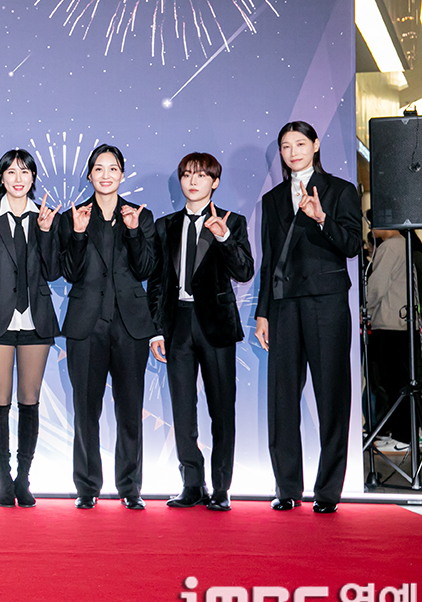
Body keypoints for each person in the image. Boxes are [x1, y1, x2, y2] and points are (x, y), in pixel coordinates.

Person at [255, 121, 361, 514]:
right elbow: (269, 260)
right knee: (282, 398)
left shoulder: (340, 190)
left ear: (315, 146)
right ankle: (287, 487)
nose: (293, 152)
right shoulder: (272, 199)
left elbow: (352, 244)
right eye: (285, 146)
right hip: (283, 305)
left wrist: (322, 218)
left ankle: (328, 491)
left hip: (326, 302)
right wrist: (263, 312)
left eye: (300, 144)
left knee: (332, 395)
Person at [147, 153, 254, 512]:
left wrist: (224, 238)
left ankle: (221, 487)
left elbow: (244, 271)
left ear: (215, 182)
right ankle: (192, 483)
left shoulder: (232, 221)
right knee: (182, 409)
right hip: (176, 323)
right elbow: (158, 281)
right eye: (187, 175)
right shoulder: (165, 225)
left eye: (201, 176)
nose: (193, 182)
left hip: (216, 325)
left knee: (222, 409)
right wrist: (156, 330)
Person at [58, 143, 156, 510]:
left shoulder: (140, 215)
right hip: (86, 325)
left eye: (112, 168)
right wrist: (78, 234)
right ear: (89, 175)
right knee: (86, 410)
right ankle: (87, 487)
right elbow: (68, 271)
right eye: (98, 168)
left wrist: (133, 232)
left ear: (122, 174)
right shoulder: (74, 216)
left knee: (130, 410)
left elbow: (146, 268)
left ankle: (130, 487)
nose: (105, 175)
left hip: (130, 325)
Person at [0, 150, 61, 507]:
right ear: (1, 178)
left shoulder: (46, 217)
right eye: (10, 172)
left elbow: (54, 271)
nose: (18, 178)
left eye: (24, 172)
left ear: (33, 177)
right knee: (0, 400)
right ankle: (4, 478)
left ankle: (24, 477)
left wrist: (47, 233)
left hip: (36, 318)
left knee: (30, 400)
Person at [365, 228, 413, 451]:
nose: (373, 227)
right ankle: (401, 434)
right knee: (399, 382)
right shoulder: (404, 244)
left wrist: (365, 309)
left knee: (394, 383)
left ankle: (403, 438)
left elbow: (376, 287)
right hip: (402, 323)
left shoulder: (390, 247)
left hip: (390, 323)